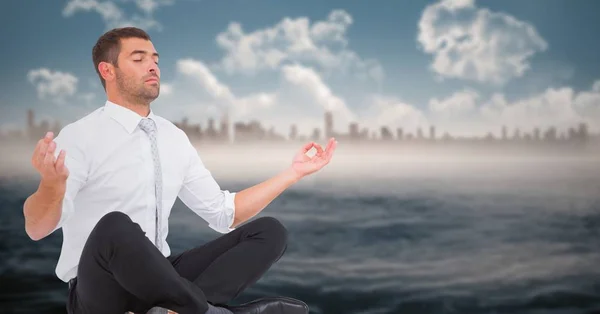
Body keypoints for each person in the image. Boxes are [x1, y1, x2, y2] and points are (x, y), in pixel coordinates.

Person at [22, 27, 337, 314]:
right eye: (138, 58)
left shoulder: (173, 137)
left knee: (270, 232)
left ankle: (176, 312)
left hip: (162, 282)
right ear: (108, 70)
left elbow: (225, 214)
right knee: (114, 227)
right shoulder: (79, 136)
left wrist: (293, 173)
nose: (153, 66)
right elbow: (37, 228)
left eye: (155, 59)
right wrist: (51, 185)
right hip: (100, 290)